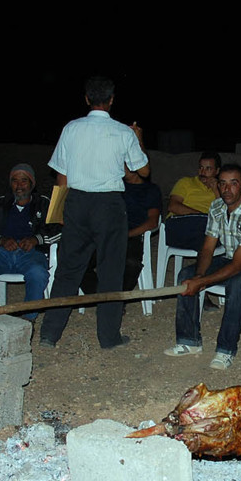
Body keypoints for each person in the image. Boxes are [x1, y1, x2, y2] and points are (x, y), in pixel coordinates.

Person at [38, 77, 149, 349]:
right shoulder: (123, 132)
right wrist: (139, 138)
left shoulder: (71, 128)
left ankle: (49, 334)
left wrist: (58, 212)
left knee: (68, 269)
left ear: (87, 98)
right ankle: (108, 338)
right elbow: (144, 171)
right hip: (108, 205)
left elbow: (61, 175)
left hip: (77, 202)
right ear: (111, 100)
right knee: (111, 270)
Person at [164, 163, 241, 371]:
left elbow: (238, 266)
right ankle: (189, 341)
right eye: (223, 184)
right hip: (232, 258)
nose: (227, 189)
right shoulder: (217, 207)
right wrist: (199, 276)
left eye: (233, 184)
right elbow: (208, 247)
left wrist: (203, 281)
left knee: (237, 283)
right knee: (186, 274)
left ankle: (226, 350)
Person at [0, 164, 61, 317]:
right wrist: (0, 240)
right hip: (2, 253)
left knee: (38, 273)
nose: (19, 186)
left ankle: (27, 320)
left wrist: (36, 240)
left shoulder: (43, 203)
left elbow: (60, 232)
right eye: (15, 181)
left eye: (24, 181)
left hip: (32, 254)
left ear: (32, 183)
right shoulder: (2, 203)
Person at [81, 164, 162, 293]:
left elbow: (152, 222)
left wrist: (127, 234)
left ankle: (112, 297)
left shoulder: (150, 190)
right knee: (78, 260)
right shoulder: (113, 186)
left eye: (124, 163)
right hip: (106, 232)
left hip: (131, 235)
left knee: (131, 264)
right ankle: (102, 296)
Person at [163, 152, 221, 250]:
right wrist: (200, 216)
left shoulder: (221, 189)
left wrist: (216, 190)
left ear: (217, 171)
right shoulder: (186, 182)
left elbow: (223, 213)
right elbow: (173, 206)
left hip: (207, 228)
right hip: (180, 223)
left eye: (208, 169)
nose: (203, 172)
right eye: (201, 168)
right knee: (210, 230)